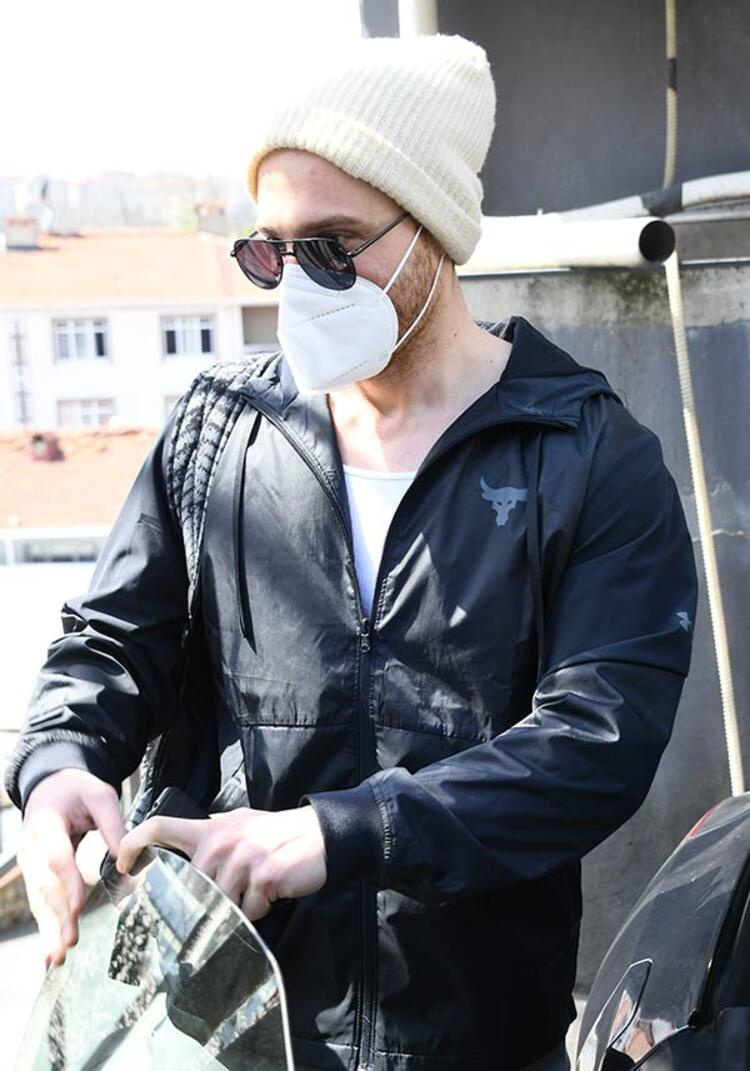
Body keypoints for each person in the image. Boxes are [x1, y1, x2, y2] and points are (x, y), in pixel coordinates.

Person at [5, 32, 698, 1071]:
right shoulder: (218, 432)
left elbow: (596, 743)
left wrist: (342, 833)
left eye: (333, 246)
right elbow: (111, 643)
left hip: (478, 1042)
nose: (300, 281)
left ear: (434, 233)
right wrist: (59, 765)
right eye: (271, 251)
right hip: (226, 1033)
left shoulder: (587, 457)